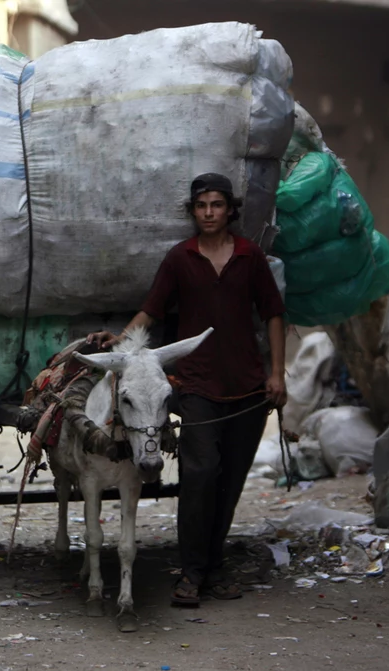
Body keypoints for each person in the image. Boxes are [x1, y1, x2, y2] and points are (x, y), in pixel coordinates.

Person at [87, 172, 287, 608]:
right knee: (199, 477)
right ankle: (191, 574)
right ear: (193, 212)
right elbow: (151, 311)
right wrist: (119, 342)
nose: (209, 213)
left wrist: (278, 374)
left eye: (217, 205)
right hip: (197, 386)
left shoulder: (251, 257)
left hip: (248, 390)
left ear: (230, 210)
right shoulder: (180, 259)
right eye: (202, 206)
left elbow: (273, 313)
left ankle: (214, 569)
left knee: (229, 483)